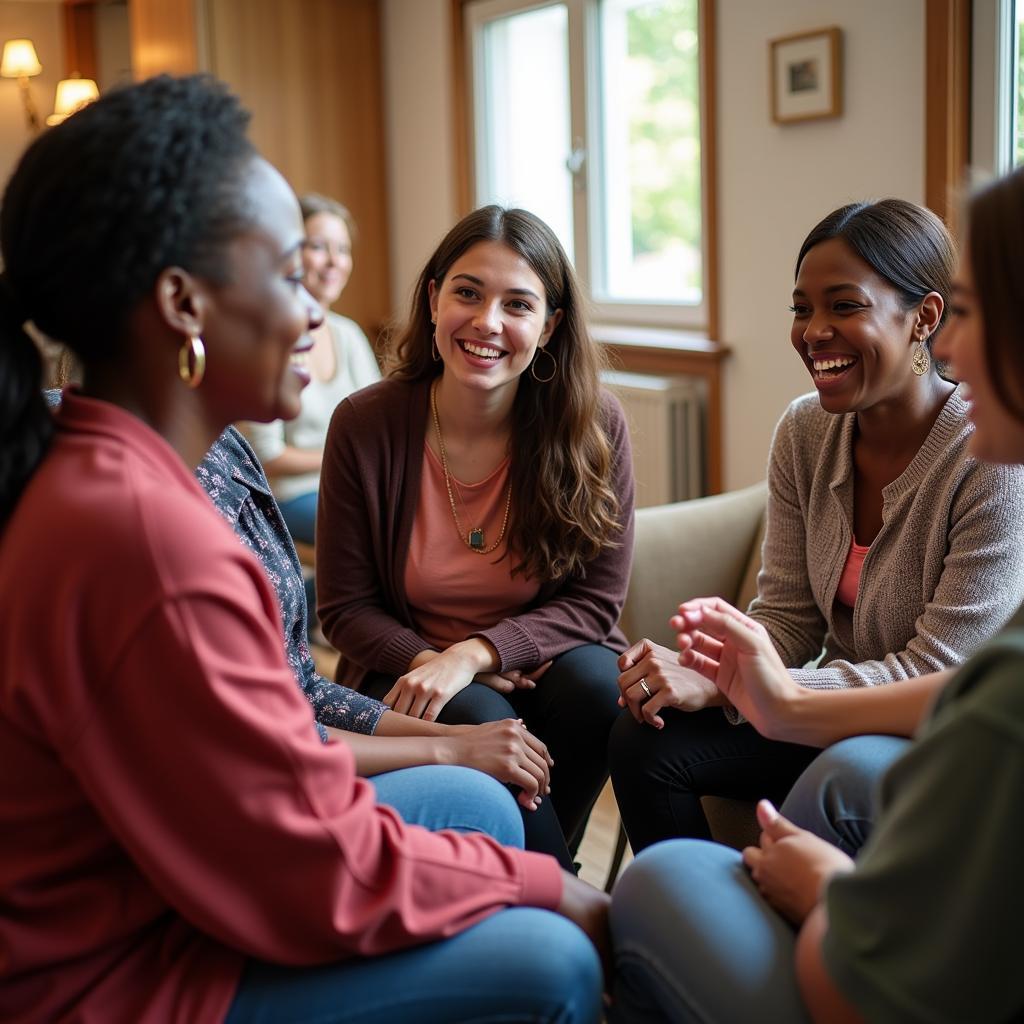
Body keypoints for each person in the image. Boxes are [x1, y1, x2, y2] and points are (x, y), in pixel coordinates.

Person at [0, 75, 607, 1023]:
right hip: (123, 966)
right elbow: (293, 866)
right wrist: (548, 890)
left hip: (184, 881)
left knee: (490, 818)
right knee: (552, 960)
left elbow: (276, 764)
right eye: (290, 273)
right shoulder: (149, 545)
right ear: (183, 305)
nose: (318, 312)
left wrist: (456, 768)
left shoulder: (128, 470)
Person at [607, 167, 1024, 1023]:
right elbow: (790, 614)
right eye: (802, 307)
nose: (814, 330)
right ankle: (720, 952)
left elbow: (941, 672)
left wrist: (778, 694)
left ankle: (760, 965)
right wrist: (716, 673)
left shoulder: (986, 461)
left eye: (844, 305)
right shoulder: (805, 428)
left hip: (912, 734)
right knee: (647, 735)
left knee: (839, 774)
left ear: (926, 319)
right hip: (818, 705)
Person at [47, 381, 558, 813]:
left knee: (507, 746)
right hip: (214, 808)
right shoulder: (96, 476)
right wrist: (448, 751)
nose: (311, 312)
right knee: (479, 798)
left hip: (274, 763)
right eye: (284, 278)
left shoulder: (222, 444)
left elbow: (300, 687)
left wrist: (458, 737)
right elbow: (244, 739)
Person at [317, 205, 635, 869]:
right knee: (476, 710)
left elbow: (597, 604)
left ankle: (538, 868)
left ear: (548, 327)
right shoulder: (365, 424)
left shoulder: (595, 424)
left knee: (601, 688)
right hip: (407, 671)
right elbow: (344, 609)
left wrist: (473, 653)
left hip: (543, 658)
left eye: (517, 304)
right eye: (467, 293)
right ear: (433, 300)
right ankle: (559, 891)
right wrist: (434, 659)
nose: (487, 322)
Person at [244, 193, 380, 547]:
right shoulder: (270, 337)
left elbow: (379, 423)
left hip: (349, 485)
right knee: (375, 533)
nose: (334, 261)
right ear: (289, 254)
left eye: (344, 249)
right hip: (289, 497)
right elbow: (269, 456)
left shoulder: (347, 334)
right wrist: (341, 456)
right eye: (319, 247)